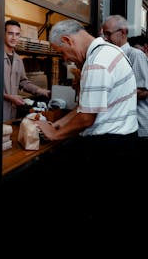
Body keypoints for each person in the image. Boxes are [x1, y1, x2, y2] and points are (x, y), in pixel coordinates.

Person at [35, 19, 138, 223]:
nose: (66, 59)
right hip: (119, 144)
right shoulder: (104, 52)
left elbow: (86, 118)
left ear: (67, 40)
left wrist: (54, 134)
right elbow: (85, 107)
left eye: (62, 52)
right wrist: (58, 124)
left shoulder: (98, 61)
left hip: (111, 150)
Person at [101, 15, 148, 139]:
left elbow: (143, 91)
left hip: (138, 126)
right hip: (119, 128)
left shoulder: (135, 55)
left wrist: (109, 93)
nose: (105, 38)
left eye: (108, 34)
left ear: (122, 33)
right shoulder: (109, 56)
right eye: (103, 34)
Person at [3, 19, 50, 121]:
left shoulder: (18, 59)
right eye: (10, 33)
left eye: (17, 34)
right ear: (3, 34)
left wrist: (40, 90)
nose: (14, 37)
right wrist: (9, 97)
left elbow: (23, 82)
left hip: (12, 110)